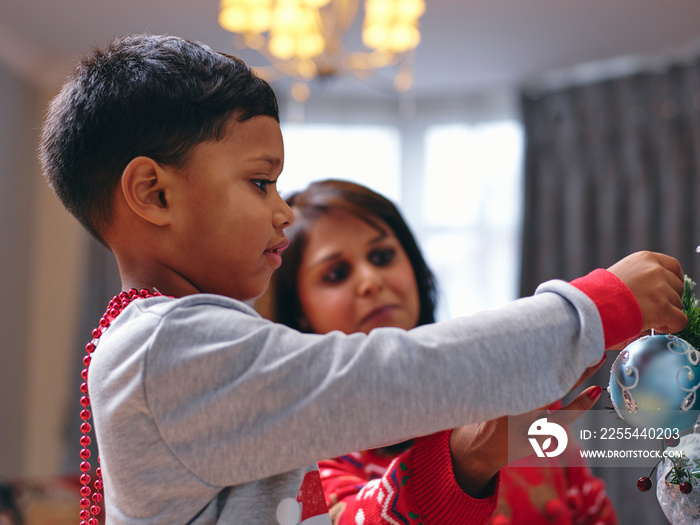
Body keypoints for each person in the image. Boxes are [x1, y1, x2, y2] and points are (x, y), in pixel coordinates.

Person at [38, 33, 686, 525]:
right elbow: (385, 376)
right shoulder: (172, 346)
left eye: (381, 256)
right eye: (260, 180)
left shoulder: (184, 353)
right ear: (153, 192)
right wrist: (600, 304)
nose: (280, 210)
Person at [258, 179, 620, 524]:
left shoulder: (515, 403)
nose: (370, 280)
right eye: (336, 273)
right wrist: (470, 460)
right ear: (299, 309)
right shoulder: (305, 452)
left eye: (382, 256)